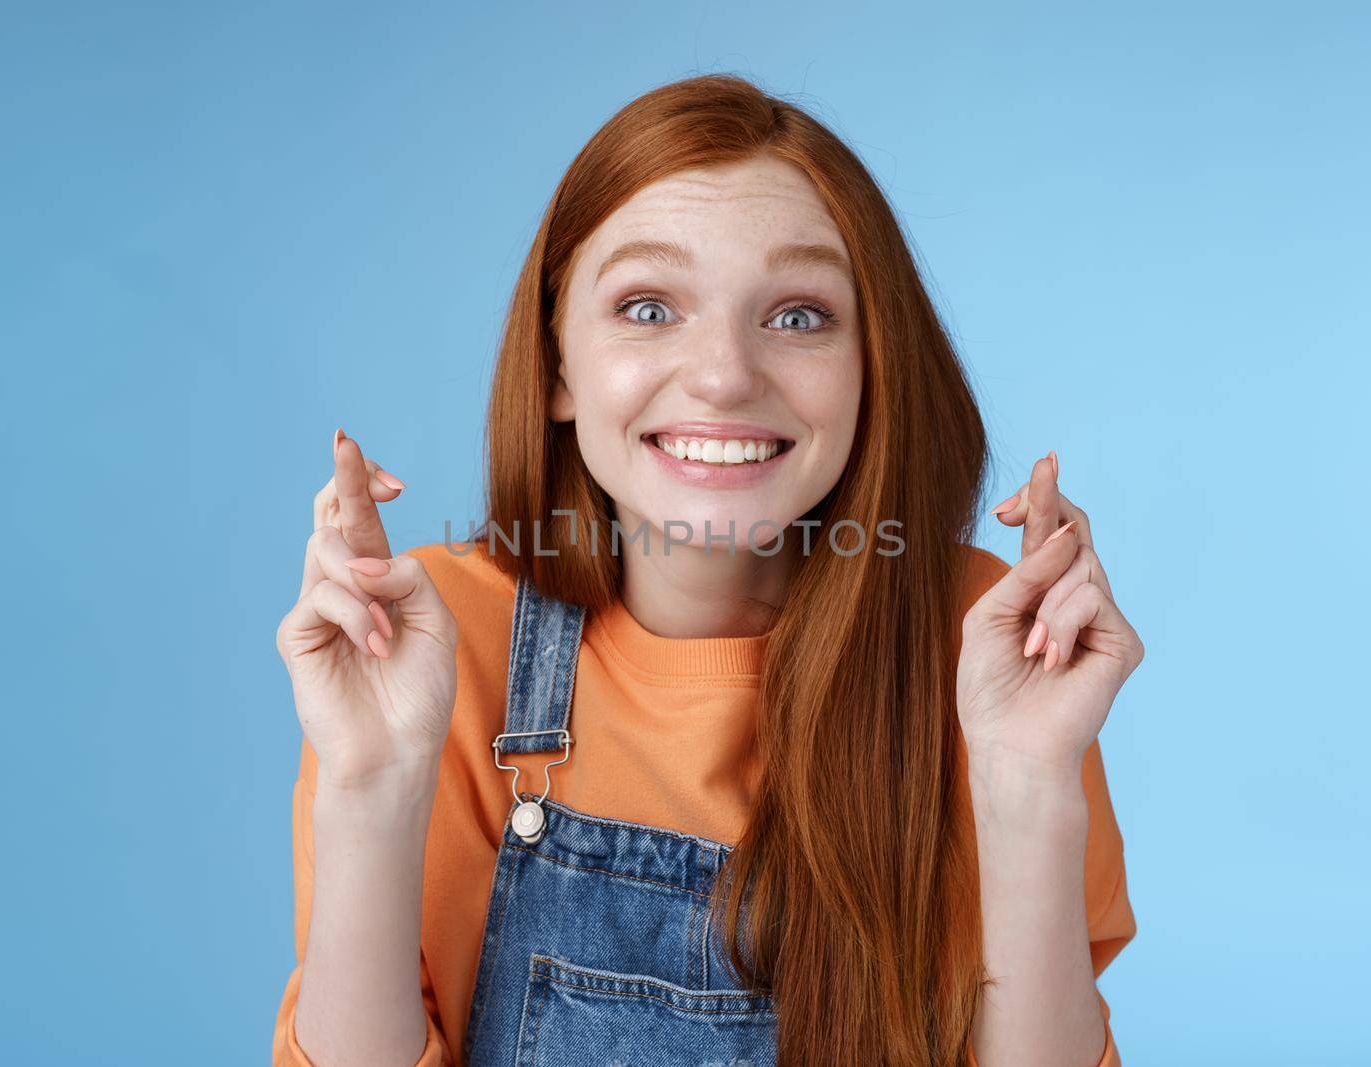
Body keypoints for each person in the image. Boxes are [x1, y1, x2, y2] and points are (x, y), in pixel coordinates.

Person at [270, 73, 1142, 1067]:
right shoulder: (428, 638)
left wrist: (1026, 781)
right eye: (648, 307)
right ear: (558, 364)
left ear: (873, 364)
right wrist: (371, 783)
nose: (724, 374)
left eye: (800, 316)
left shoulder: (982, 641)